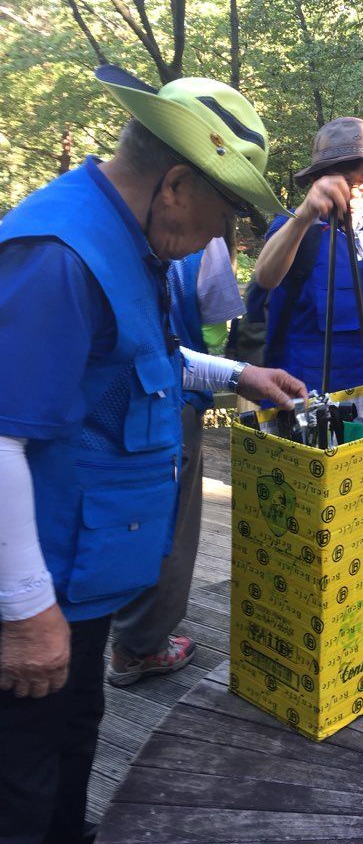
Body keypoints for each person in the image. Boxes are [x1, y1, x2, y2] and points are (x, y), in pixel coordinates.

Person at [0, 64, 306, 844]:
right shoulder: (60, 253)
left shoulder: (129, 239)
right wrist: (27, 615)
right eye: (226, 211)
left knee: (74, 736)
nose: (223, 238)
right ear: (175, 184)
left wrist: (238, 372)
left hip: (85, 579)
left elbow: (138, 355)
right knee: (20, 779)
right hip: (42, 592)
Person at [108, 235, 244, 687]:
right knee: (172, 522)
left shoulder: (101, 234)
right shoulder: (202, 240)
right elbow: (211, 329)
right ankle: (140, 647)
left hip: (113, 406)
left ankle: (121, 634)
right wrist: (225, 371)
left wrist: (240, 375)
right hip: (166, 403)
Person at [253, 116, 363, 392]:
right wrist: (305, 213)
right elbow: (266, 277)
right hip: (305, 397)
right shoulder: (294, 226)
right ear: (317, 181)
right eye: (343, 181)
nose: (353, 192)